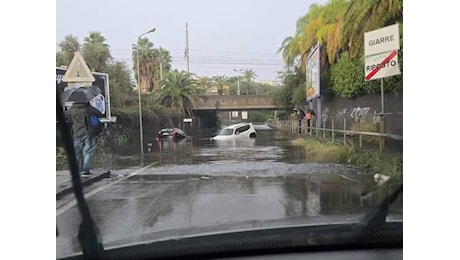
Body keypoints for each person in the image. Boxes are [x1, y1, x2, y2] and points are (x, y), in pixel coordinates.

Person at [68, 101, 103, 177]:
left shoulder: (71, 109)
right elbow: (100, 113)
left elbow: (69, 119)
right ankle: (85, 171)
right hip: (88, 133)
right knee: (88, 151)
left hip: (76, 133)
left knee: (77, 152)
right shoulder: (88, 108)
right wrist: (90, 106)